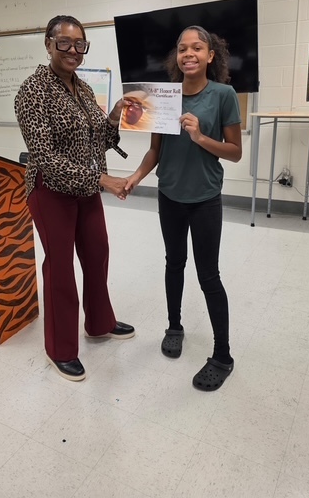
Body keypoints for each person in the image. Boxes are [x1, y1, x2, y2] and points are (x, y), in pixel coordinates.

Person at [15, 14, 134, 382]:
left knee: (97, 253)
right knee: (61, 267)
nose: (72, 50)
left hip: (85, 190)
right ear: (48, 44)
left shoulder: (81, 88)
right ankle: (60, 349)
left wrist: (113, 115)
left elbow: (97, 137)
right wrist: (103, 179)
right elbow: (47, 160)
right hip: (50, 192)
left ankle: (99, 323)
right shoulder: (32, 92)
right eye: (63, 42)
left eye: (79, 44)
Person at [125, 25, 242, 391]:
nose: (188, 53)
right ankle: (174, 326)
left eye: (197, 48)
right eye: (182, 48)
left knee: (209, 276)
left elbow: (235, 152)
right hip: (170, 196)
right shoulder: (163, 97)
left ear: (211, 55)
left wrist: (200, 136)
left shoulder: (224, 94)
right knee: (174, 263)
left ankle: (222, 355)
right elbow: (155, 151)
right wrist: (136, 176)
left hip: (205, 199)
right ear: (176, 57)